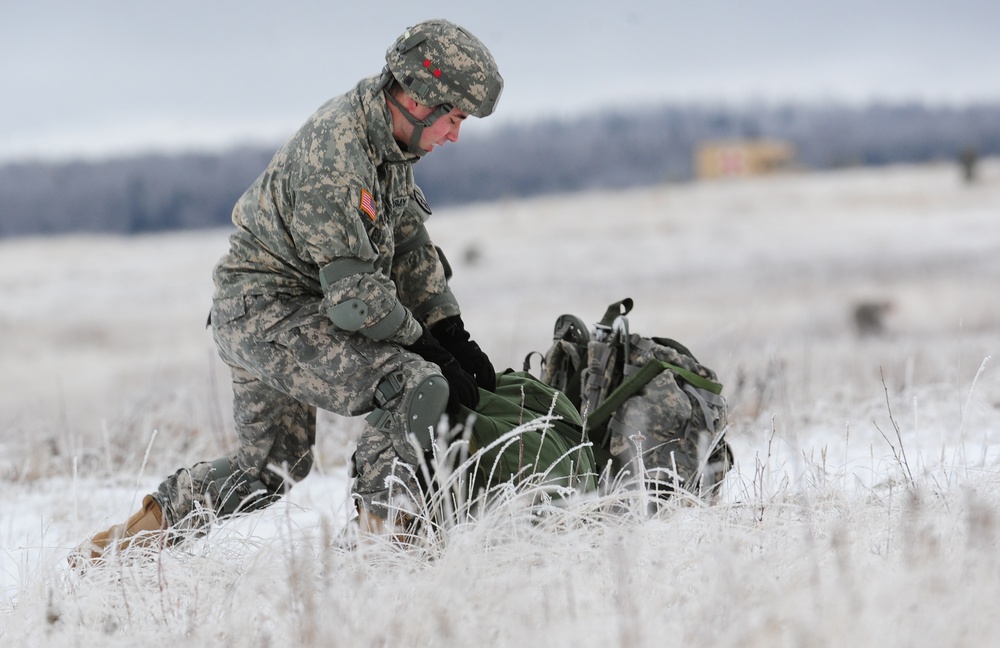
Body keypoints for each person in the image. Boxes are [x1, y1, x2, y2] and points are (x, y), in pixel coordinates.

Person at [71, 18, 503, 565]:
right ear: (420, 101)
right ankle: (387, 554)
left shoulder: (389, 151)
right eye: (455, 119)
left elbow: (410, 246)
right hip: (265, 314)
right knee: (412, 384)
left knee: (269, 471)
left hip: (288, 310)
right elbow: (354, 299)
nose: (455, 136)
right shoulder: (339, 157)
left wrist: (450, 331)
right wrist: (430, 352)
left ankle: (107, 555)